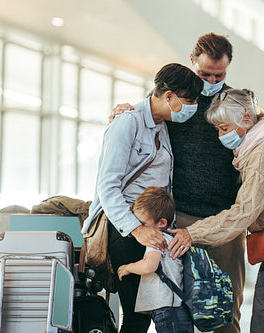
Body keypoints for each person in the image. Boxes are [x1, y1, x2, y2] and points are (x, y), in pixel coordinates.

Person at [111, 32, 264, 333]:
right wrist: (122, 111)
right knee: (179, 310)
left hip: (227, 220)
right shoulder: (179, 100)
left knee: (225, 311)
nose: (212, 80)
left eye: (219, 74)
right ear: (192, 61)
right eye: (204, 73)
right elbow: (148, 113)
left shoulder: (235, 103)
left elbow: (262, 130)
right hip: (180, 218)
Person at [169, 88, 264, 333]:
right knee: (262, 320)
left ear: (247, 119)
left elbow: (243, 212)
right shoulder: (258, 143)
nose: (221, 136)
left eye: (224, 128)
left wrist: (192, 233)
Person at [81, 63, 203, 333]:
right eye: (189, 101)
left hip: (152, 228)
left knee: (149, 311)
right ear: (169, 96)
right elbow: (108, 186)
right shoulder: (128, 122)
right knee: (137, 316)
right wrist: (136, 230)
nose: (193, 107)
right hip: (126, 228)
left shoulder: (162, 126)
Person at [117, 186, 193, 333]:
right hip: (180, 306)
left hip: (166, 307)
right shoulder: (173, 239)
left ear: (162, 223)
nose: (140, 228)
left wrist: (128, 268)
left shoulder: (157, 240)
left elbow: (149, 266)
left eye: (143, 224)